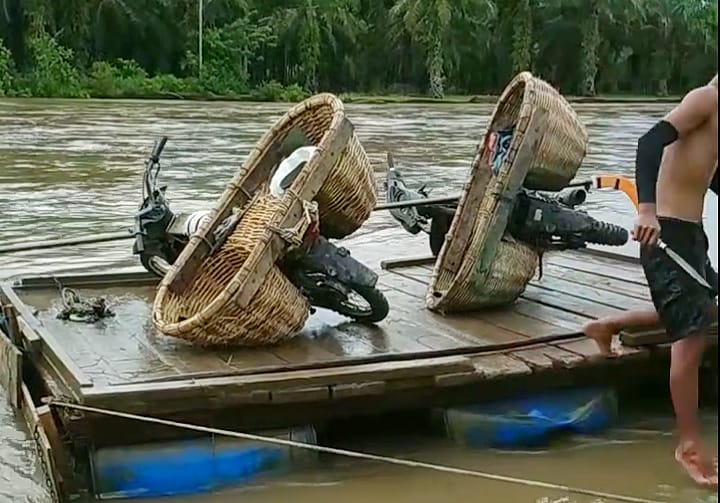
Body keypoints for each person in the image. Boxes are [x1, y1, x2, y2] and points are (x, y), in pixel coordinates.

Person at [583, 74, 718, 488]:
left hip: (690, 235)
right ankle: (689, 447)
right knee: (691, 337)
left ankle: (608, 326)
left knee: (702, 309)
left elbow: (705, 171)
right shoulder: (705, 99)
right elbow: (648, 143)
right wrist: (646, 210)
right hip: (664, 234)